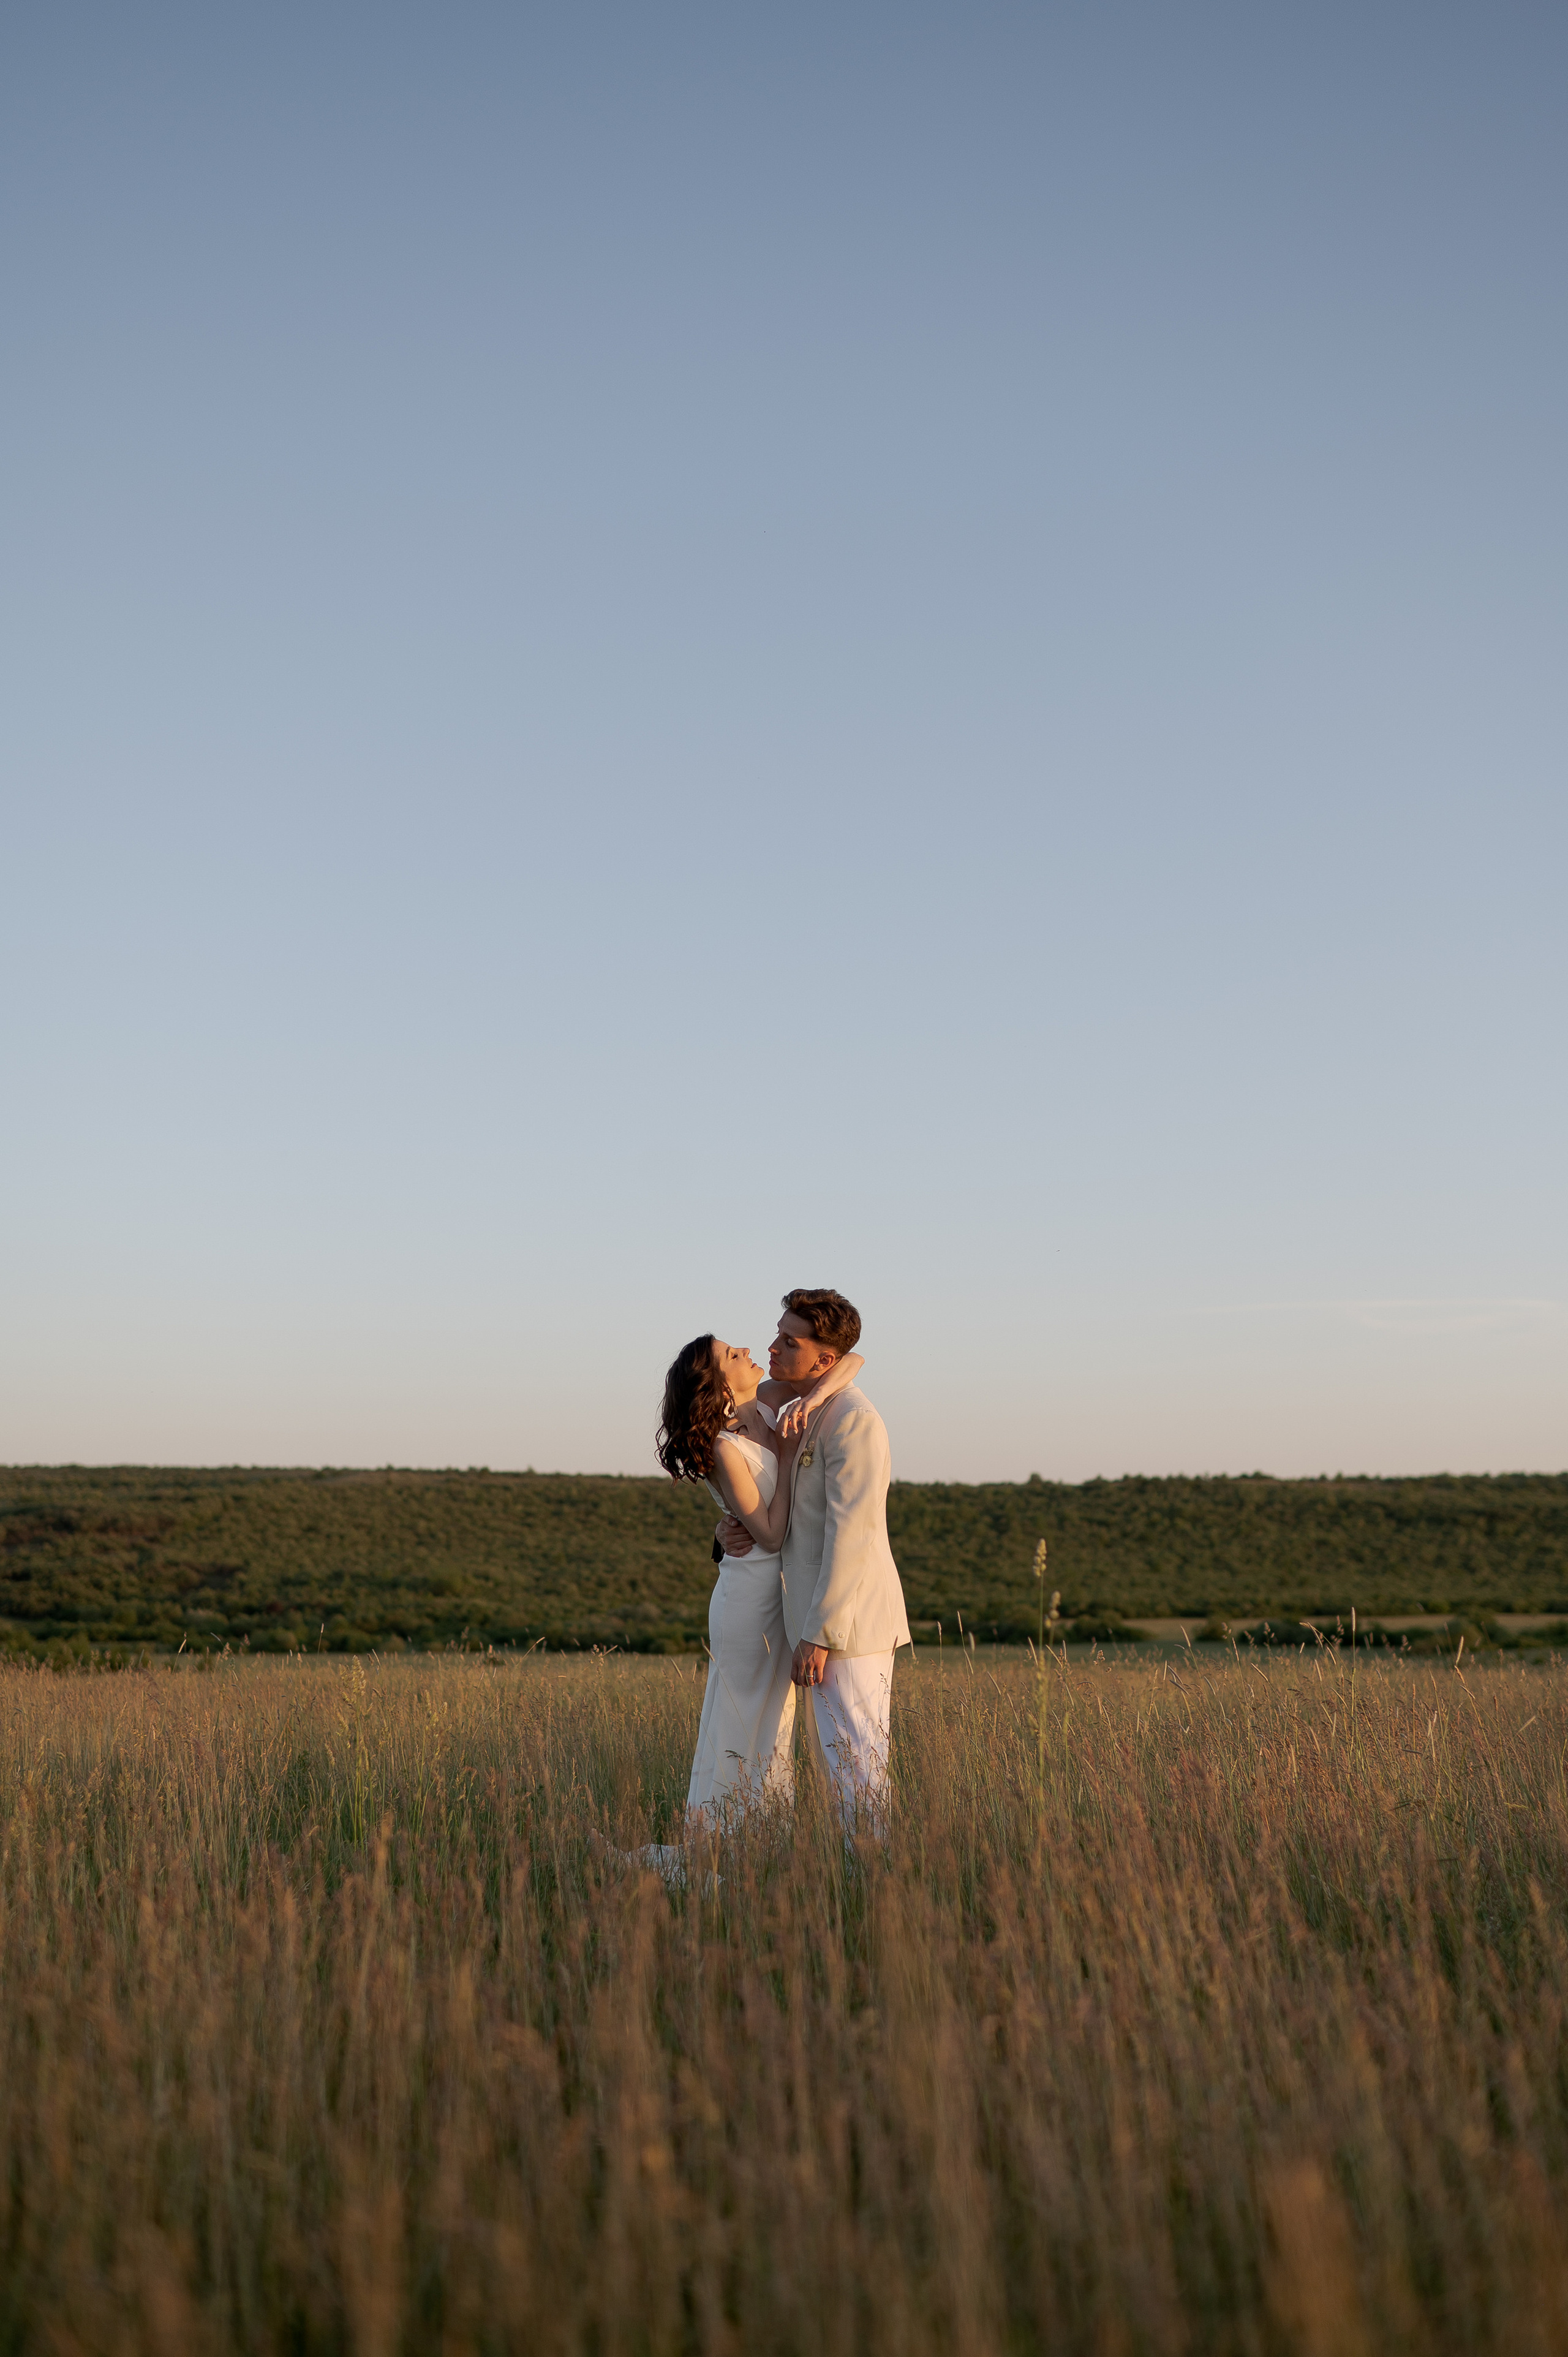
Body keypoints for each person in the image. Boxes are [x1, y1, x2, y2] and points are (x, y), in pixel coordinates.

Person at [717, 1288, 910, 1832]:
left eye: (789, 1340)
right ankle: (857, 1879)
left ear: (823, 1360)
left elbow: (853, 1534)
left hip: (849, 1625)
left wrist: (820, 1633)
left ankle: (872, 1882)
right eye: (778, 1333)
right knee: (840, 1764)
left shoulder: (852, 1419)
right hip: (816, 1620)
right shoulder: (801, 1403)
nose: (772, 1346)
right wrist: (727, 1525)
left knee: (859, 1764)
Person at [655, 1331, 863, 1831]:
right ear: (719, 1385)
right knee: (741, 1719)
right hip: (748, 1600)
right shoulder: (725, 1447)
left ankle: (760, 1844)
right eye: (732, 1355)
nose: (748, 1351)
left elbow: (854, 1359)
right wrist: (790, 1458)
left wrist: (812, 1397)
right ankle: (712, 1843)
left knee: (776, 1723)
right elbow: (769, 1535)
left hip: (781, 1595)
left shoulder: (769, 1400)